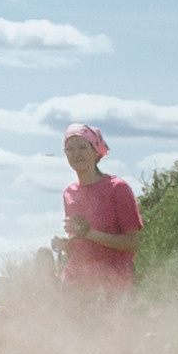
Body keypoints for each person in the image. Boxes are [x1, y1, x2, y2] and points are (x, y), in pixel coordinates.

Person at [58, 123, 141, 297]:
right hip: (76, 283)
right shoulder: (69, 193)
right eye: (70, 149)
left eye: (82, 147)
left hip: (113, 285)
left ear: (95, 151)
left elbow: (132, 243)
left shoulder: (117, 188)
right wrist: (66, 245)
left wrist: (90, 234)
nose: (76, 154)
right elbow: (81, 243)